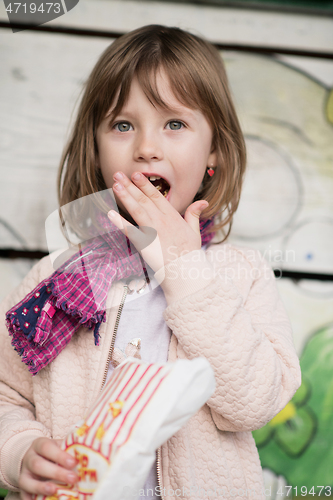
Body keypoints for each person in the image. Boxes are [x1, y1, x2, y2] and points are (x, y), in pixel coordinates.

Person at [0, 25, 301, 500]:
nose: (146, 147)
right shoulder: (56, 280)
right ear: (96, 150)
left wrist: (183, 270)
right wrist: (20, 450)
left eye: (174, 124)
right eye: (123, 125)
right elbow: (5, 393)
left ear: (213, 153)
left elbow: (256, 402)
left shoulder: (240, 275)